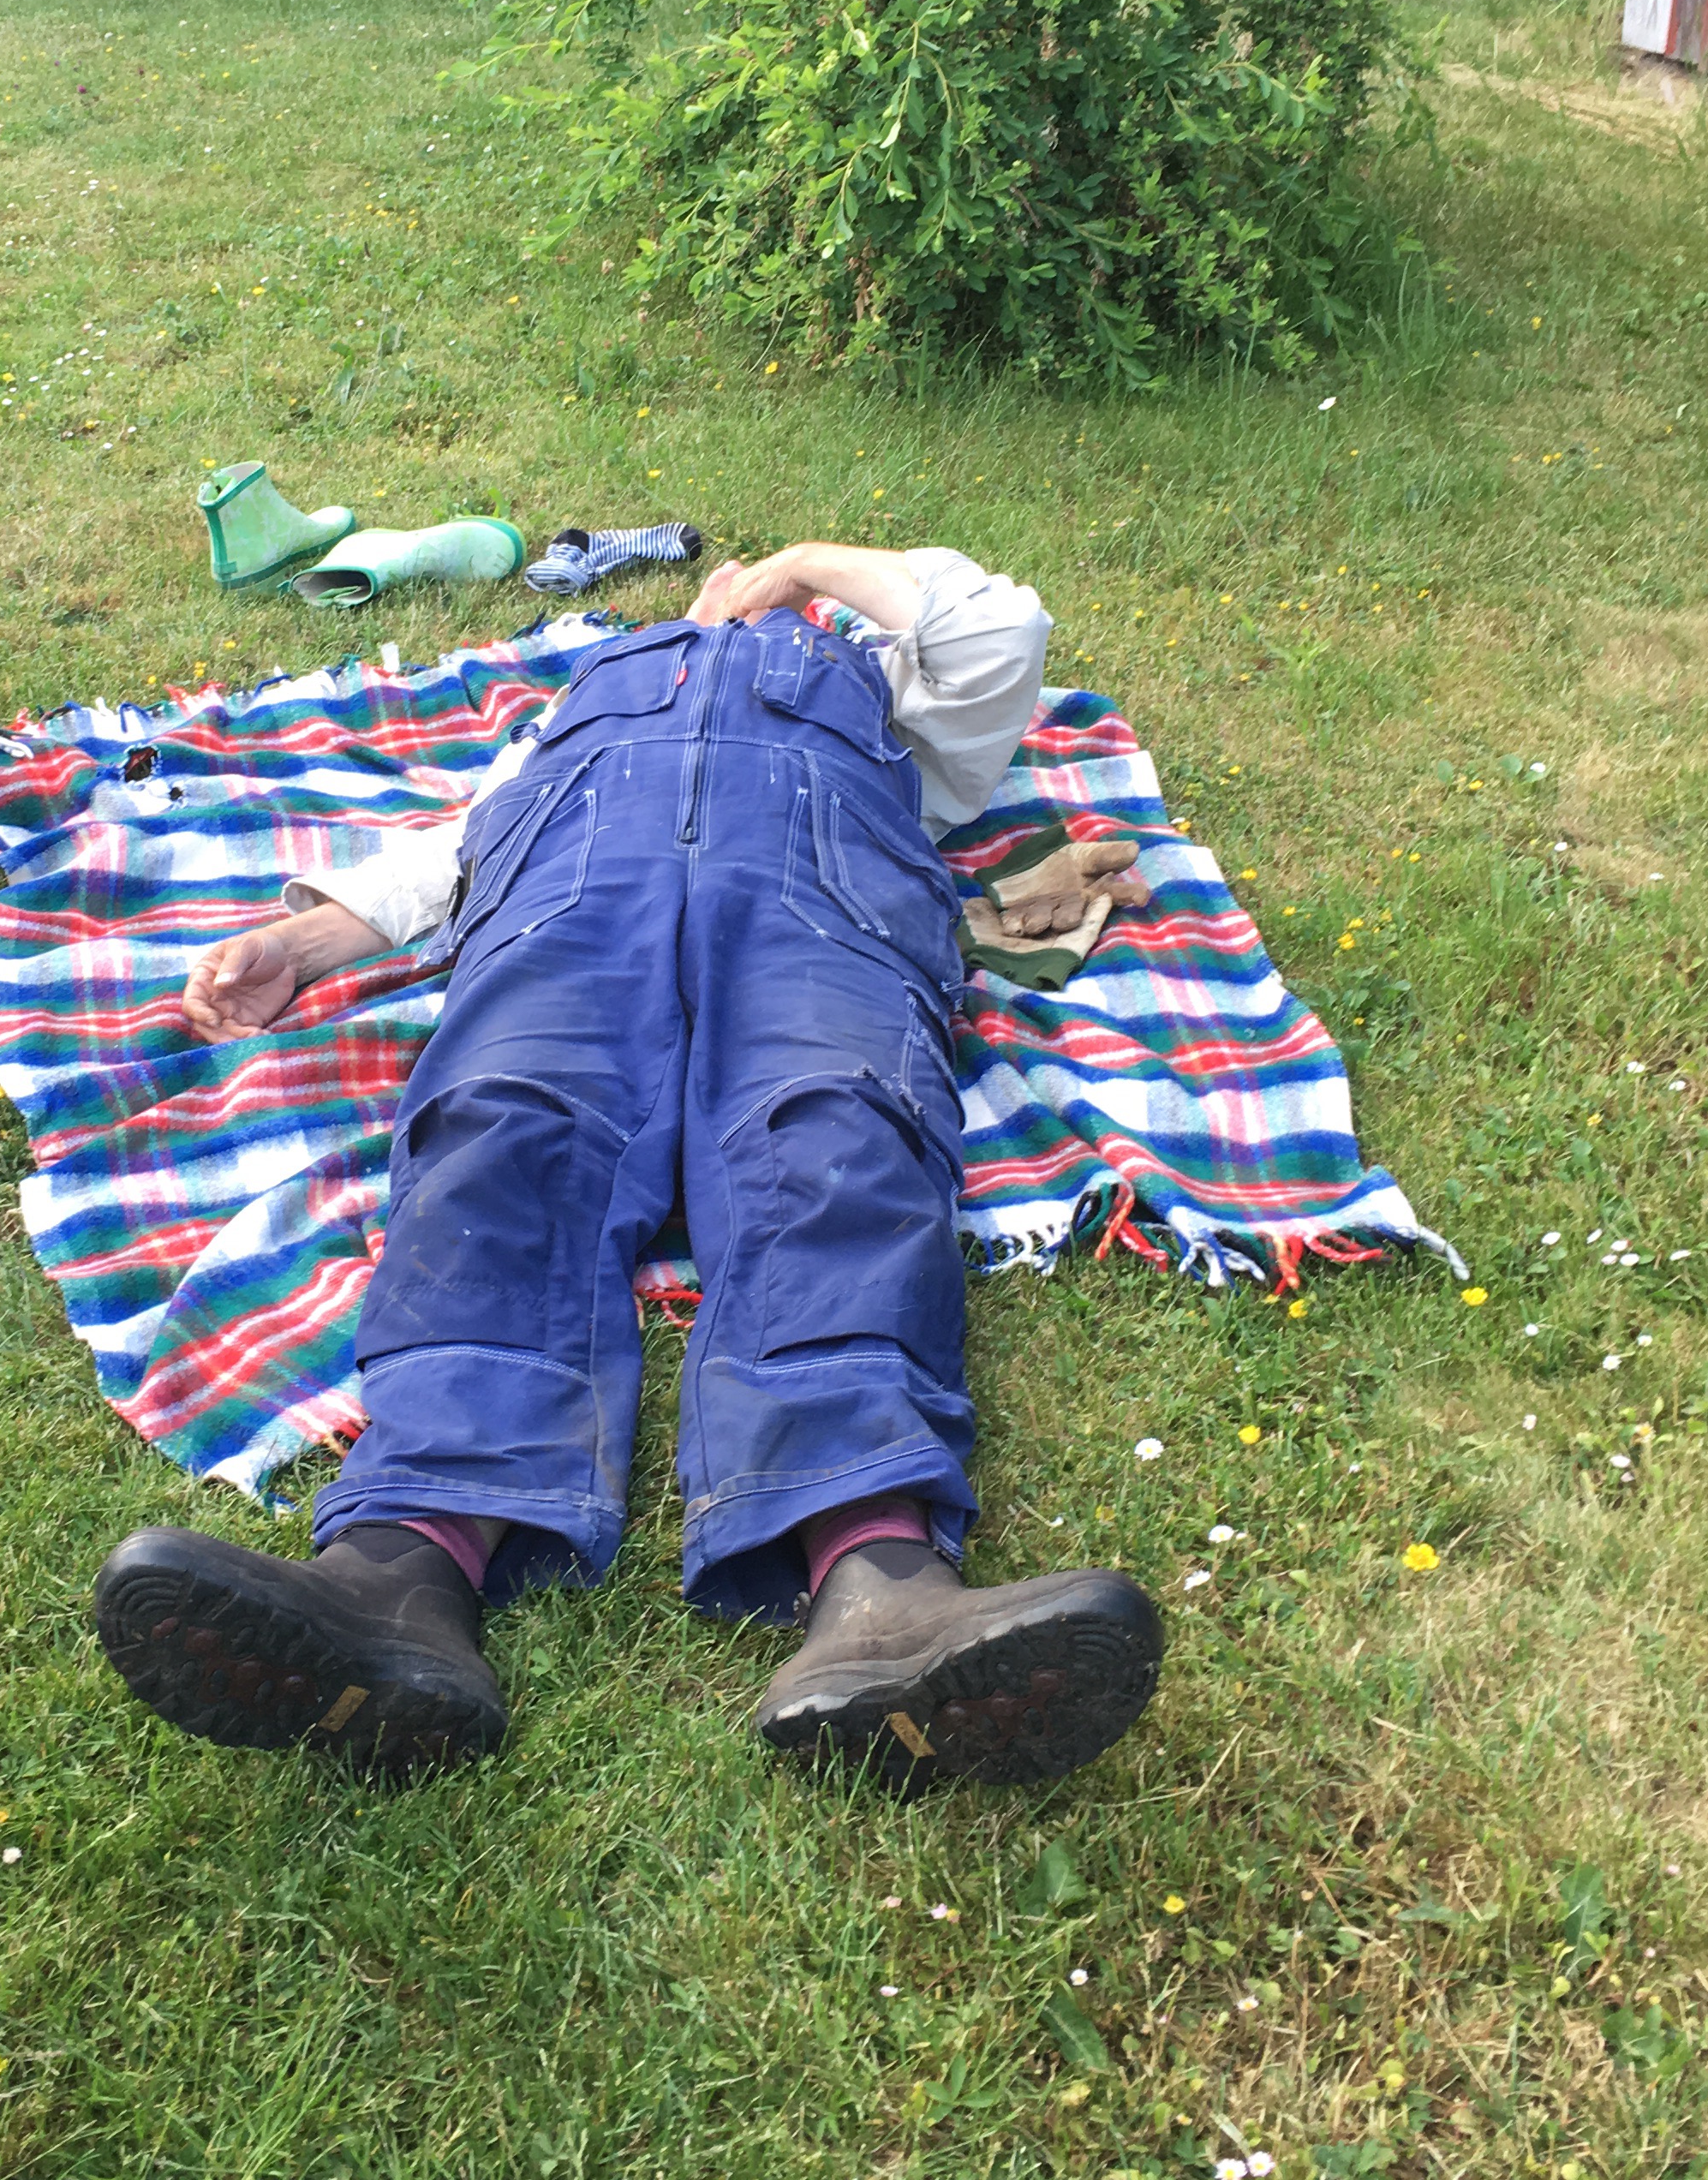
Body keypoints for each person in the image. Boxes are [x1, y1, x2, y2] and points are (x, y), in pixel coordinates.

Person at [94, 542, 1164, 1793]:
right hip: (570, 907)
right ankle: (396, 1579)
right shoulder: (573, 703)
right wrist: (307, 943)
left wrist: (807, 568)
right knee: (502, 1131)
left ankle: (882, 1593)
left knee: (837, 1140)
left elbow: (997, 627)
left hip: (819, 906)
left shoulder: (899, 700)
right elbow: (464, 846)